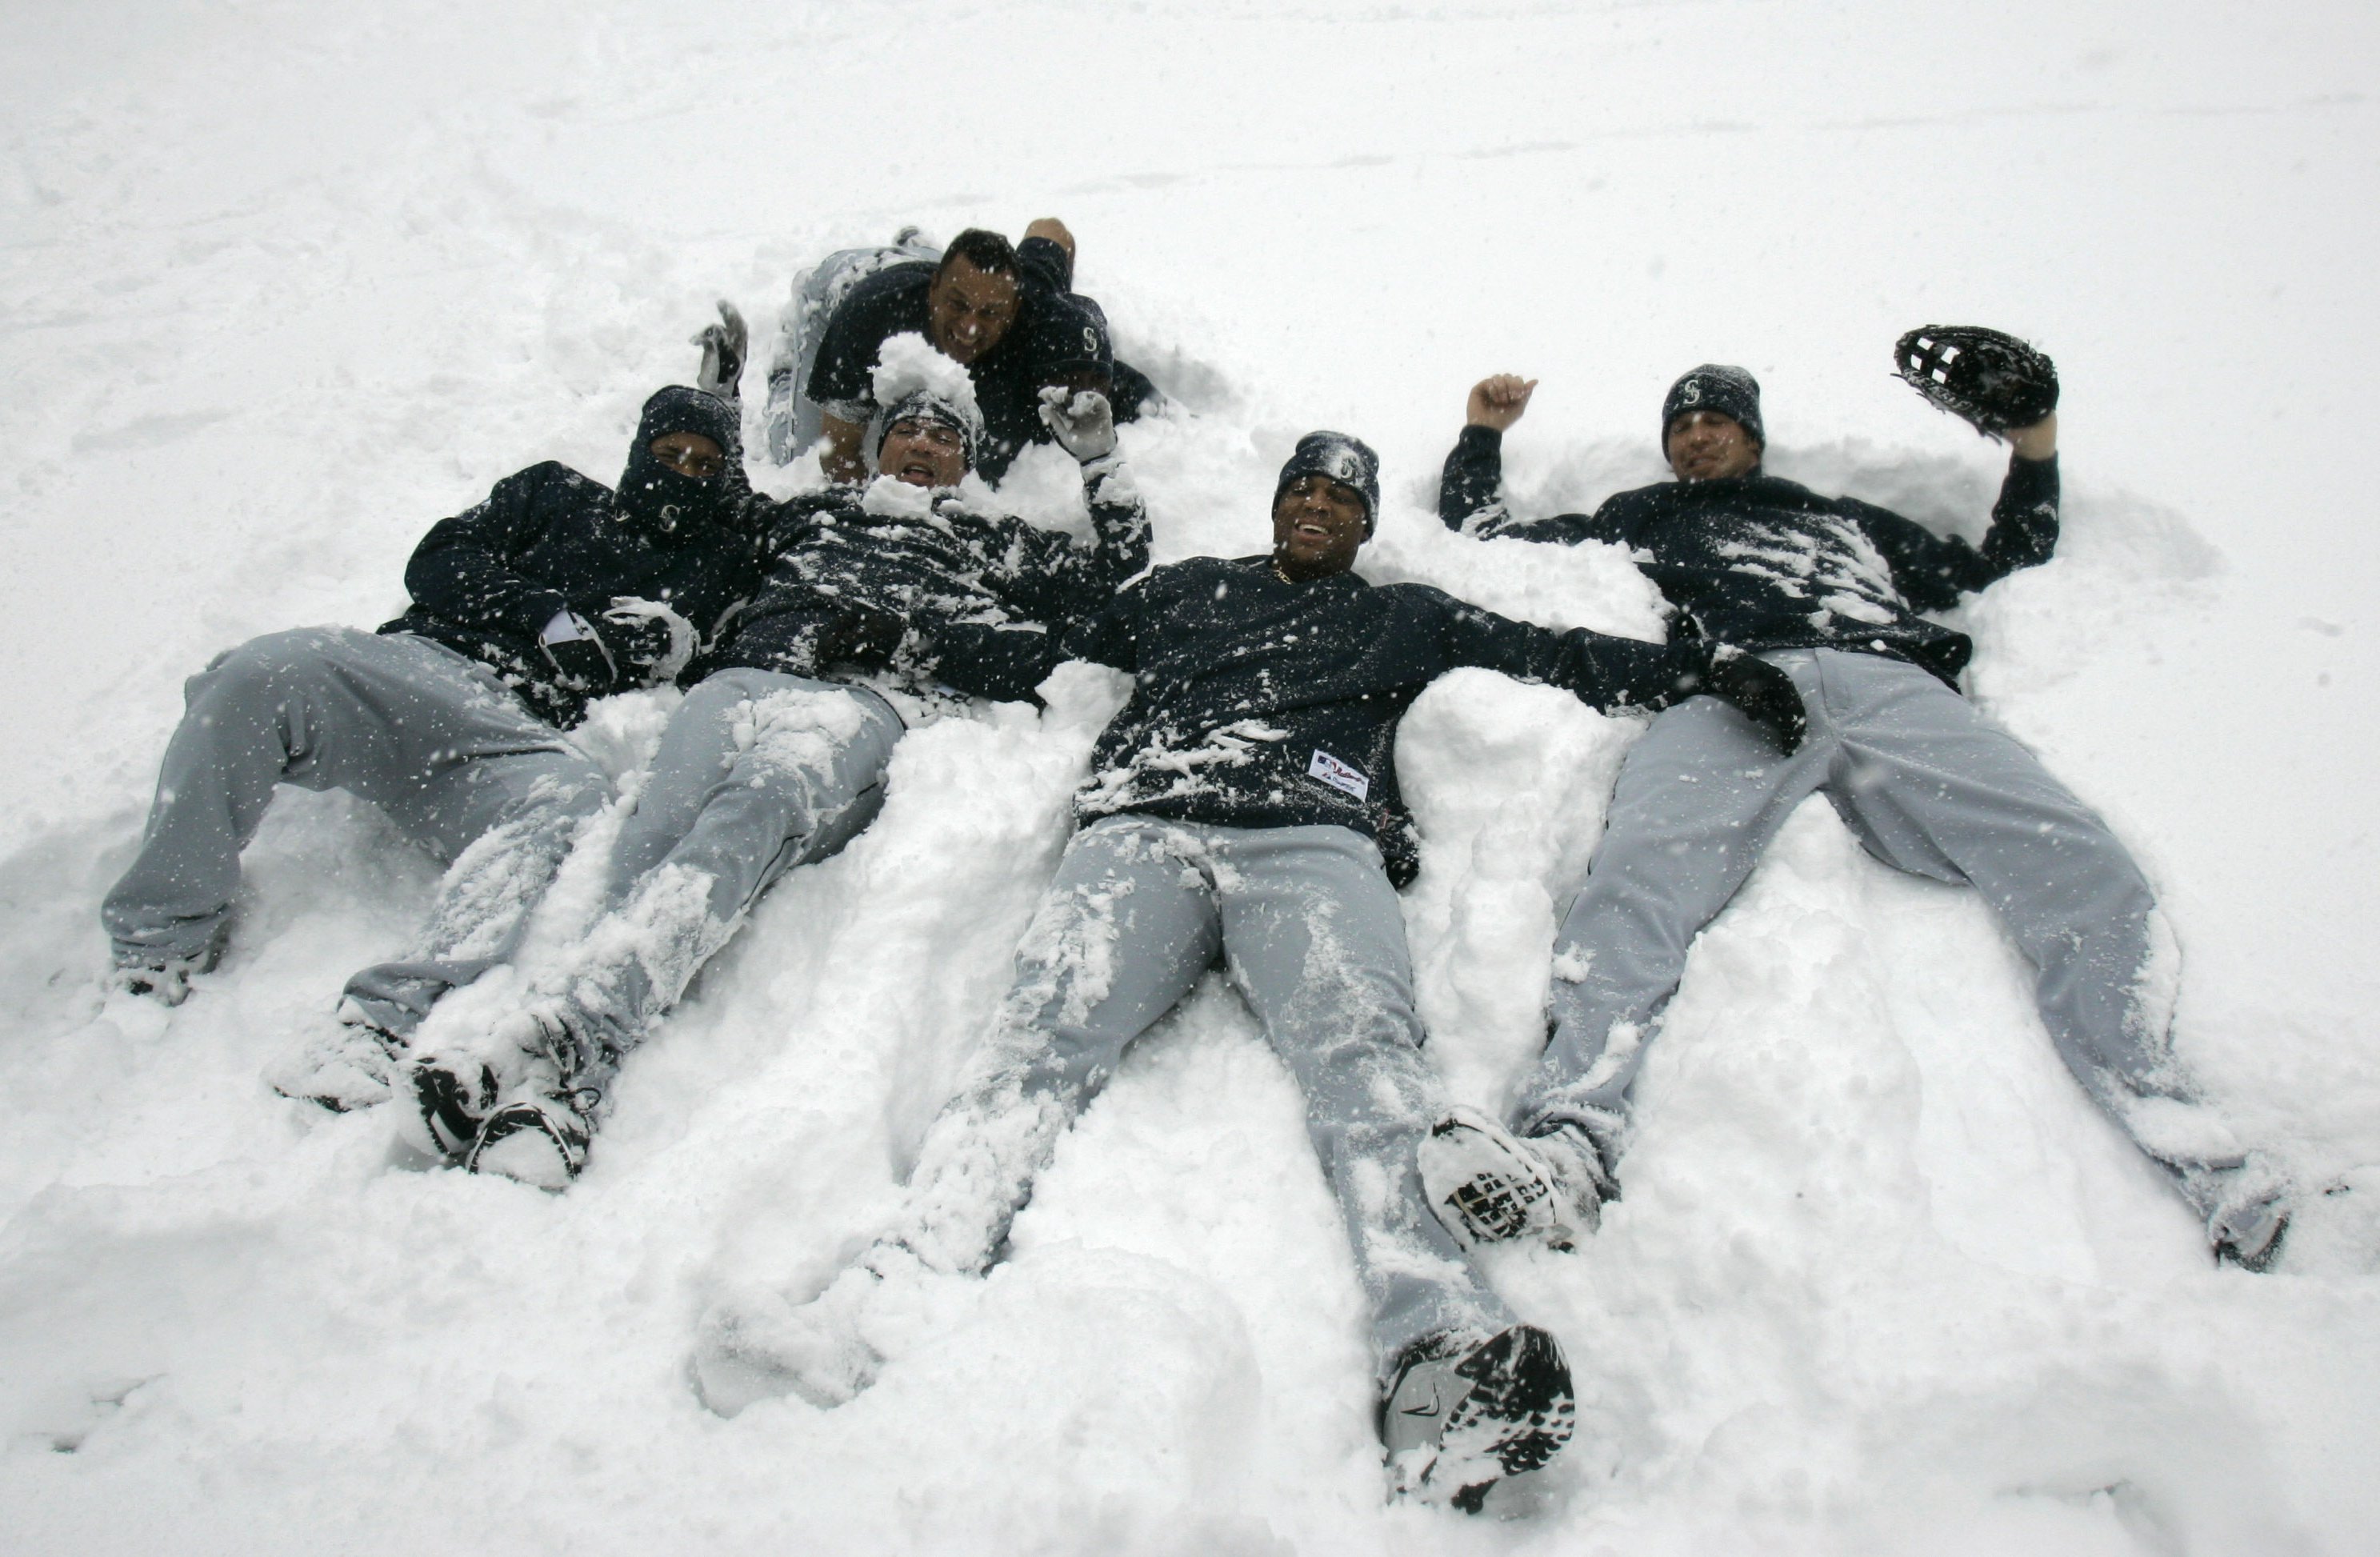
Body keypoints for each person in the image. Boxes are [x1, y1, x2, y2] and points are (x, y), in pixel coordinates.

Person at [687, 432, 1804, 1509]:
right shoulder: (1182, 593)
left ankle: (1439, 1343)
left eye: (1337, 496)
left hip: (1308, 839)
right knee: (1036, 1044)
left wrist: (1704, 675)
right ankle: (883, 1296)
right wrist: (883, 633)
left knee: (1364, 1064)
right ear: (1276, 505)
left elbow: (1552, 650)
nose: (1313, 507)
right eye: (1298, 491)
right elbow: (1038, 647)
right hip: (1143, 826)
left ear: (1364, 523)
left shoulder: (1397, 613)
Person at [1418, 366, 2293, 1270]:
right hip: (1731, 689)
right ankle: (1568, 1140)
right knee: (1635, 880)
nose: (1697, 436)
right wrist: (1481, 434)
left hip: (1889, 686)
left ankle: (2206, 1154)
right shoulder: (1640, 514)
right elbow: (1492, 541)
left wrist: (2034, 443)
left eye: (1718, 420)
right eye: (1682, 425)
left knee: (2074, 861)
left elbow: (2002, 565)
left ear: (1753, 436)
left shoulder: (1844, 522)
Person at [402, 342, 1150, 1188]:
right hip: (742, 674)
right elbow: (709, 499)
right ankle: (549, 1063)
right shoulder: (808, 515)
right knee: (658, 825)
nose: (922, 444)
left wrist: (1098, 461)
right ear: (881, 446)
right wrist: (713, 398)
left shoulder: (991, 544)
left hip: (858, 699)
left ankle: (574, 1048)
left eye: (943, 437)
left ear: (964, 460)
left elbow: (1115, 578)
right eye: (906, 430)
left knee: (751, 811)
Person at [102, 388, 764, 1111]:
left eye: (704, 467)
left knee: (574, 808)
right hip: (411, 671)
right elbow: (438, 561)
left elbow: (743, 643)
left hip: (509, 736)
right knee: (259, 673)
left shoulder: (716, 567)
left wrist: (676, 643)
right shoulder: (552, 492)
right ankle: (160, 938)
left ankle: (388, 1018)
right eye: (668, 455)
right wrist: (542, 613)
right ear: (639, 452)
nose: (682, 474)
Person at [760, 221, 1157, 482]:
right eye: (958, 306)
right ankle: (785, 372)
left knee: (971, 284)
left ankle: (926, 254)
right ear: (935, 290)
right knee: (796, 457)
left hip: (945, 273)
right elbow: (840, 454)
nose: (970, 327)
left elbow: (1051, 230)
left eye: (990, 314)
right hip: (848, 284)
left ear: (1014, 310)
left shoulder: (1038, 312)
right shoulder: (871, 317)